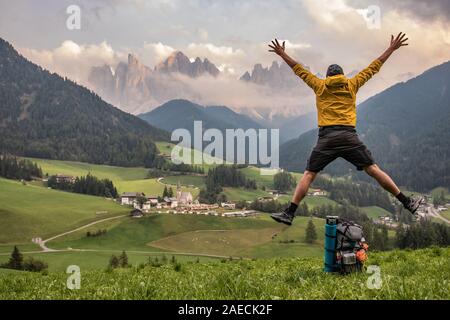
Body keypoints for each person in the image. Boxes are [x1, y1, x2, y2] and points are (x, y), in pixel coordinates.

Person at [269, 32, 423, 226]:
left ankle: (290, 213)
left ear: (327, 76)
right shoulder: (352, 84)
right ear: (342, 75)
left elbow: (297, 69)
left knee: (309, 174)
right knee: (373, 169)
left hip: (326, 138)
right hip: (349, 136)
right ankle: (407, 202)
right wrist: (391, 49)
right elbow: (374, 67)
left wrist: (282, 54)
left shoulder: (319, 85)